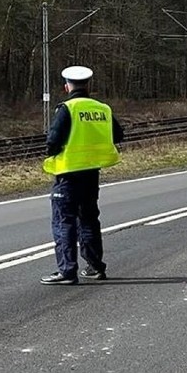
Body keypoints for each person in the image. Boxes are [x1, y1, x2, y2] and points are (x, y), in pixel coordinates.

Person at [40, 65, 124, 286]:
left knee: (63, 222)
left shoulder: (67, 108)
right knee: (88, 220)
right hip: (91, 174)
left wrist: (53, 152)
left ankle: (67, 271)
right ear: (88, 85)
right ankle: (95, 267)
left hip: (68, 175)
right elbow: (118, 134)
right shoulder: (102, 109)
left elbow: (53, 141)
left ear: (66, 86)